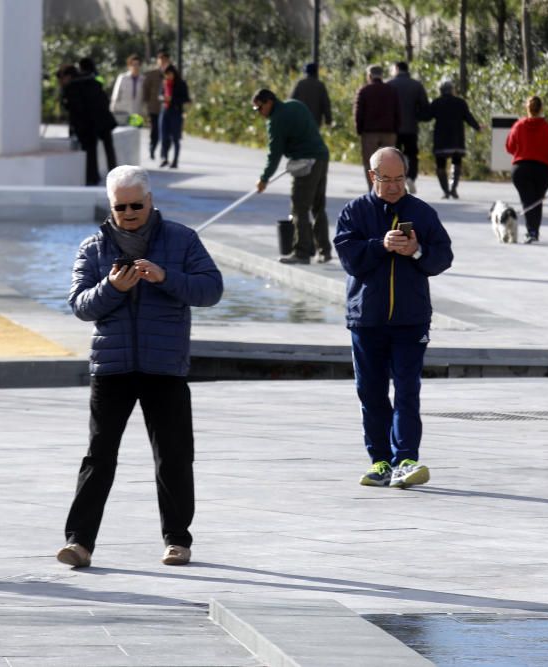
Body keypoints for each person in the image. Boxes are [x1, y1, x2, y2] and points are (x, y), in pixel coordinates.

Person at [57, 165, 224, 569]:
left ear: (150, 201)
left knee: (174, 455)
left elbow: (211, 289)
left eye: (136, 205)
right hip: (112, 367)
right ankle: (79, 543)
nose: (129, 213)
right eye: (121, 206)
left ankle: (177, 541)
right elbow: (80, 305)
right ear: (111, 206)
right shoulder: (93, 247)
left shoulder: (182, 239)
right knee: (99, 455)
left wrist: (166, 276)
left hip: (164, 366)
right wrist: (113, 288)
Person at [333, 147, 453, 489]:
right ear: (373, 177)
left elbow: (443, 258)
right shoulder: (354, 212)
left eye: (400, 179)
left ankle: (406, 460)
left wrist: (415, 251)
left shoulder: (422, 213)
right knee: (370, 392)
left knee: (406, 390)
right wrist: (381, 245)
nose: (395, 186)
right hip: (366, 319)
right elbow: (350, 259)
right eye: (387, 179)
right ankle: (381, 461)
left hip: (410, 319)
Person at [252, 88, 332, 264]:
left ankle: (302, 252)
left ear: (269, 102)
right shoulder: (295, 105)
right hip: (321, 157)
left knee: (299, 206)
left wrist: (264, 178)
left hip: (305, 164)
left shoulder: (276, 121)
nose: (259, 113)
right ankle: (324, 250)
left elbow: (274, 154)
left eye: (259, 109)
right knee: (318, 205)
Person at [505, 95, 548, 244]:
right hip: (542, 170)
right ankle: (533, 231)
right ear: (541, 109)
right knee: (537, 201)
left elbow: (509, 147)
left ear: (527, 108)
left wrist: (522, 152)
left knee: (527, 200)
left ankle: (531, 231)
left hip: (521, 168)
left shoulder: (518, 126)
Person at [57, 64, 118, 186]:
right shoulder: (93, 81)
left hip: (89, 124)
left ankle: (92, 178)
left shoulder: (72, 87)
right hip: (104, 120)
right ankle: (115, 177)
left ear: (68, 76)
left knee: (90, 151)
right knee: (109, 150)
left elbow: (76, 109)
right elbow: (104, 99)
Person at [428, 79, 480, 200]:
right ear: (452, 90)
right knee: (456, 163)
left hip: (441, 139)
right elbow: (468, 117)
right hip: (456, 139)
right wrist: (477, 127)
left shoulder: (437, 102)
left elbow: (426, 116)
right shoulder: (460, 102)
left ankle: (446, 190)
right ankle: (453, 188)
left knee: (440, 165)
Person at [353, 65, 400, 191]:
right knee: (389, 161)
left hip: (369, 132)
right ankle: (388, 188)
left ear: (369, 76)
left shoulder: (364, 91)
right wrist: (396, 129)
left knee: (370, 162)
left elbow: (359, 113)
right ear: (382, 75)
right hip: (389, 132)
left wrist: (359, 130)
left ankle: (373, 188)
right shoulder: (392, 90)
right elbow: (398, 111)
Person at [386, 62, 430, 194]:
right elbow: (425, 107)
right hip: (411, 127)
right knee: (412, 155)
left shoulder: (389, 85)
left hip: (394, 128)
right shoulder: (416, 85)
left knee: (394, 155)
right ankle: (410, 177)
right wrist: (417, 117)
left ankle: (396, 180)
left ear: (397, 69)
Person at [158, 64, 189, 169]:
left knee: (175, 138)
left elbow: (186, 99)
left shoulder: (181, 84)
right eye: (166, 74)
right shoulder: (164, 83)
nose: (168, 76)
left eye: (169, 74)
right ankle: (165, 158)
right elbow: (160, 95)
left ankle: (175, 160)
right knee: (164, 137)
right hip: (164, 111)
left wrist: (173, 100)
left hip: (175, 112)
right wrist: (163, 98)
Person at [141, 51, 170, 161]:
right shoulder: (151, 74)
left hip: (168, 109)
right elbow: (145, 90)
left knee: (167, 133)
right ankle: (152, 149)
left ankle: (164, 154)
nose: (162, 62)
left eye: (165, 60)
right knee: (155, 131)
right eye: (160, 60)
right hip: (154, 108)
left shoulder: (172, 73)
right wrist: (146, 104)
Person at [289, 62, 332, 129]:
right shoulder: (320, 85)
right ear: (315, 72)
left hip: (300, 121)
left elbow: (291, 102)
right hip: (315, 122)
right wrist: (328, 120)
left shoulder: (300, 84)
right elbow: (326, 104)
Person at [109, 53, 145, 127]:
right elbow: (116, 94)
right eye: (133, 64)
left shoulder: (143, 80)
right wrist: (112, 108)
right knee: (123, 133)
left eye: (137, 64)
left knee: (135, 133)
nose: (136, 67)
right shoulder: (122, 77)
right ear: (129, 66)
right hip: (122, 111)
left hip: (136, 112)